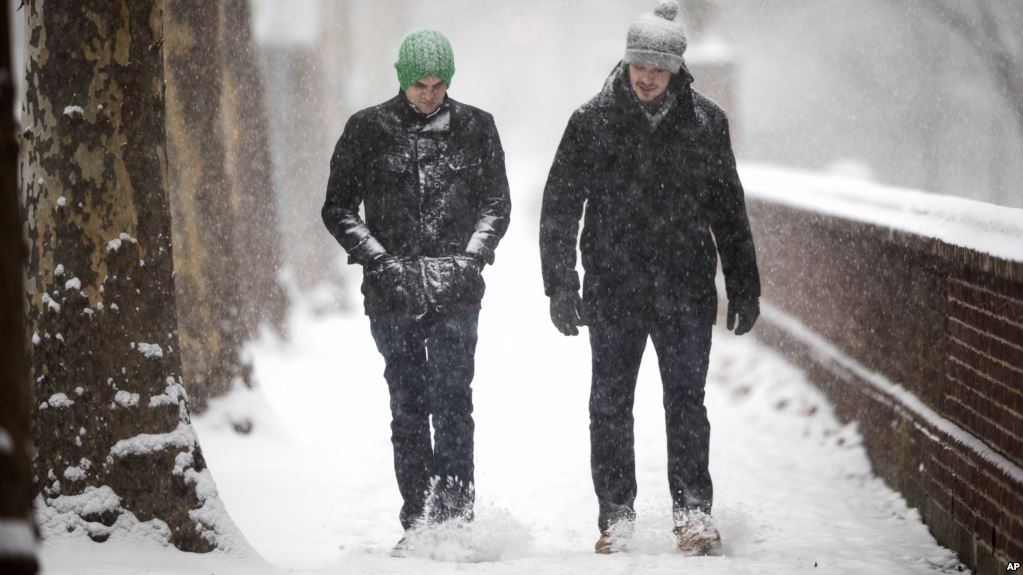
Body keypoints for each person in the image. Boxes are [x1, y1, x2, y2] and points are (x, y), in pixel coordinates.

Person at [539, 0, 760, 556]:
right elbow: (560, 207)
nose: (646, 76)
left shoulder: (706, 123)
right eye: (639, 65)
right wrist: (561, 283)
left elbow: (728, 208)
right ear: (627, 61)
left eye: (657, 68)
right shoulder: (591, 121)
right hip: (613, 290)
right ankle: (616, 515)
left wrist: (743, 281)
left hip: (685, 288)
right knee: (610, 404)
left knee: (686, 402)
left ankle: (693, 514)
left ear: (677, 68)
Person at [321, 29, 511, 548]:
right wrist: (379, 262)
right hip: (392, 294)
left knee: (453, 405)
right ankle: (419, 521)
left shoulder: (477, 128)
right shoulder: (367, 130)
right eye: (421, 84)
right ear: (403, 80)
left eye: (439, 83)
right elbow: (338, 208)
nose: (430, 93)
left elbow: (496, 205)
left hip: (457, 291)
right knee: (407, 407)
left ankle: (455, 522)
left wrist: (471, 260)